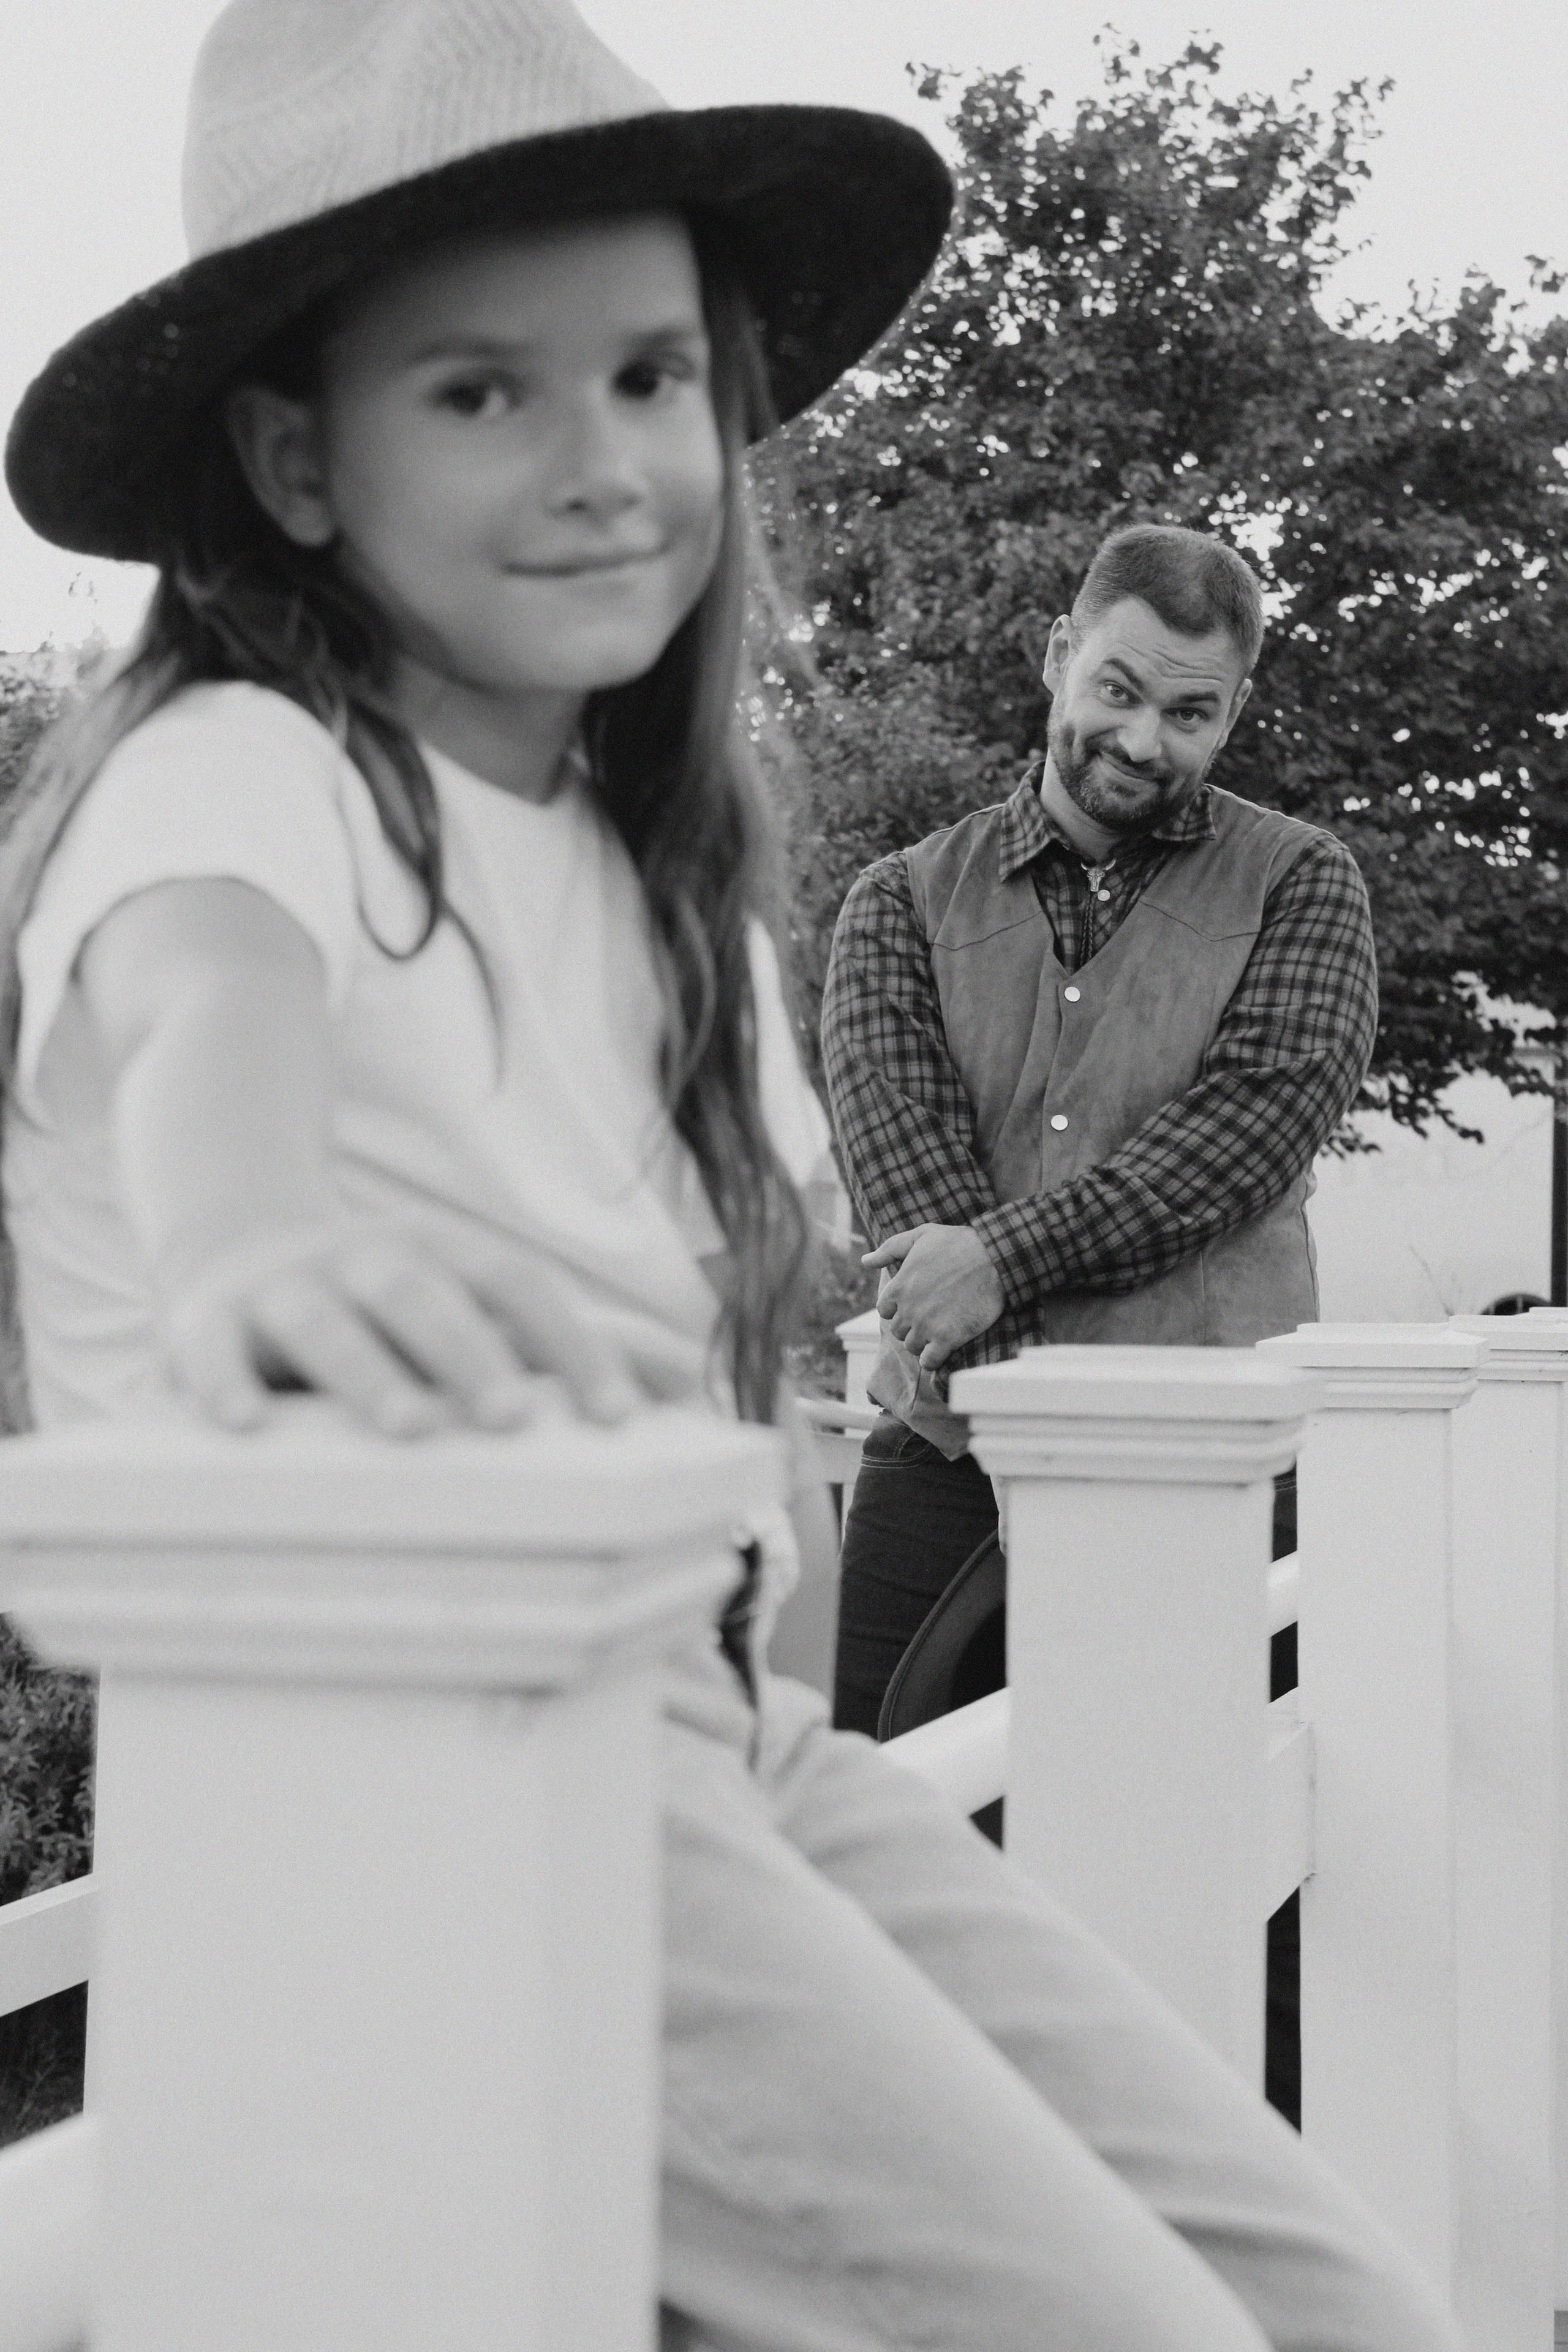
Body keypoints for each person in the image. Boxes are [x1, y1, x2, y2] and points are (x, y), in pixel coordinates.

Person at [1, 7, 1453, 2346]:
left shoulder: (632, 860)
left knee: (1342, 2299)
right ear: (289, 453)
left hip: (721, 1737)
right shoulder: (236, 778)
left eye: (653, 376)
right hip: (466, 1800)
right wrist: (255, 1254)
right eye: (482, 389)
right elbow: (206, 1027)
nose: (604, 464)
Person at [821, 526, 1374, 1743]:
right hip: (946, 1460)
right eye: (1116, 691)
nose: (1140, 740)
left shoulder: (1302, 882)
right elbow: (909, 1191)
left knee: (1230, 1856)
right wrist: (1032, 1441)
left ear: (1230, 714)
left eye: (1188, 712)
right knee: (897, 1831)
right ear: (1059, 654)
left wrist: (1000, 1262)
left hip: (1219, 1459)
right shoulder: (895, 901)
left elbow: (1232, 1149)